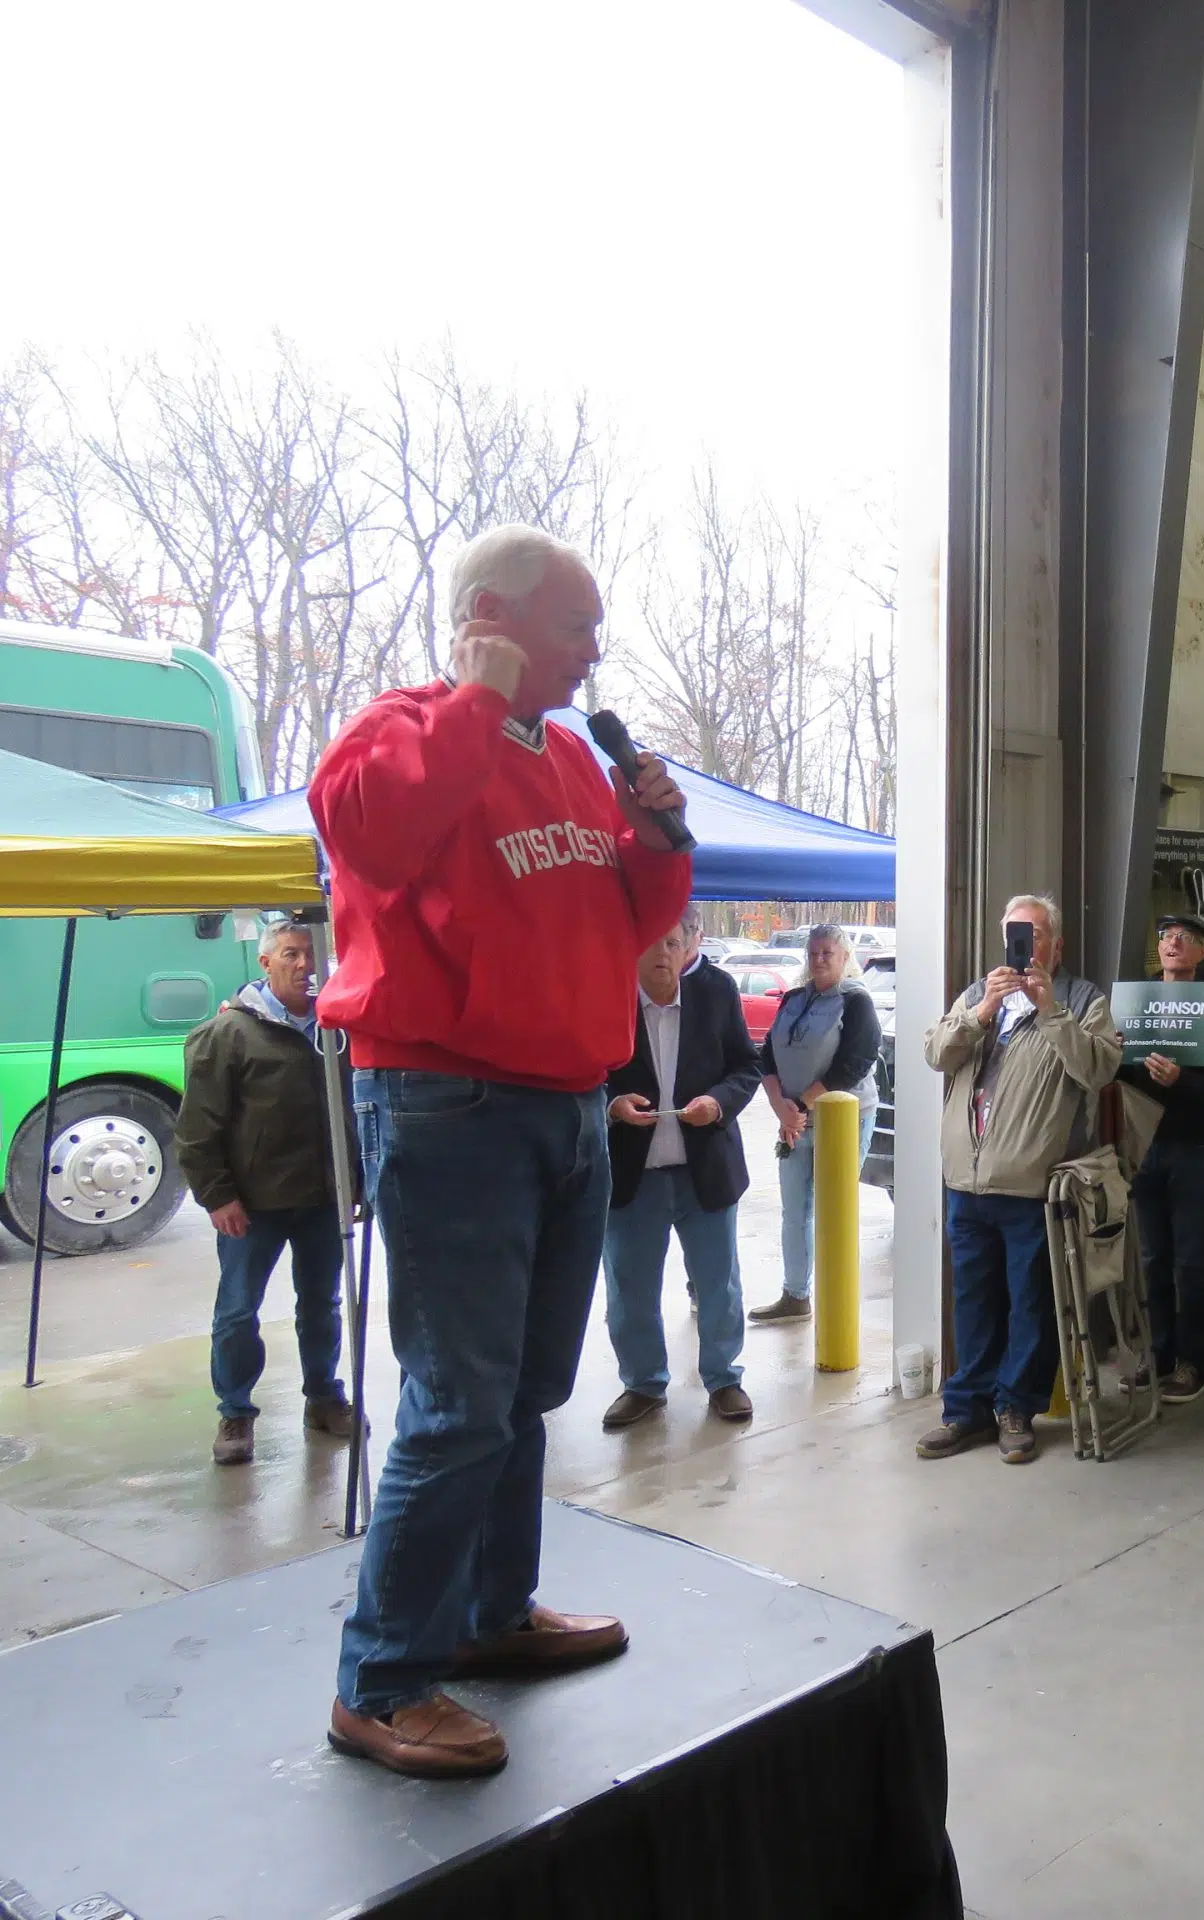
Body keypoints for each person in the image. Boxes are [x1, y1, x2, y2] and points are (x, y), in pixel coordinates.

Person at [312, 522, 692, 1779]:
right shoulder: (401, 729)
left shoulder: (579, 764)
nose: (594, 650)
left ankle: (486, 1615)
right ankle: (383, 1678)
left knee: (524, 1394)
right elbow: (369, 836)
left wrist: (656, 841)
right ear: (493, 617)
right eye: (576, 624)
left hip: (568, 1102)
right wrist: (474, 695)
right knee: (457, 1401)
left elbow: (630, 930)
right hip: (448, 1103)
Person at [918, 894, 1122, 1466]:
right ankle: (966, 1412)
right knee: (973, 1302)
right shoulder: (976, 995)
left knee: (1033, 1304)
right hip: (966, 1182)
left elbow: (1099, 1069)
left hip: (1030, 1185)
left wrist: (1051, 1011)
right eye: (1014, 933)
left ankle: (1016, 1411)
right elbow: (935, 1052)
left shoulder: (1082, 1000)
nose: (1023, 946)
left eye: (1034, 935)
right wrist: (981, 1010)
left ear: (1055, 945)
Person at [177, 919, 353, 1466]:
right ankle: (235, 1413)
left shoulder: (336, 1028)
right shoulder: (227, 1035)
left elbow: (352, 1113)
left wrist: (356, 1184)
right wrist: (217, 1196)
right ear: (266, 962)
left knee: (322, 1305)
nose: (305, 965)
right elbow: (197, 1129)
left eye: (313, 955)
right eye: (292, 955)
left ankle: (323, 1398)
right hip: (252, 1206)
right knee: (237, 1311)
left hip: (323, 1199)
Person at [599, 923, 762, 1431]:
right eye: (652, 943)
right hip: (633, 1175)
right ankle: (643, 1384)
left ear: (691, 945)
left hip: (704, 1170)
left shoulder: (717, 992)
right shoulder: (606, 997)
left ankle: (724, 1379)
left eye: (674, 943)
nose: (664, 955)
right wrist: (611, 1104)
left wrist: (717, 1103)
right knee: (629, 1287)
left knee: (718, 1284)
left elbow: (746, 1067)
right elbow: (581, 1071)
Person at [1117, 914, 1204, 1404]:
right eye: (1166, 937)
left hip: (1196, 1147)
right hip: (1144, 1144)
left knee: (1193, 1260)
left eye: (1185, 940)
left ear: (1201, 954)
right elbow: (1119, 1075)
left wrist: (1183, 1082)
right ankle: (1161, 1355)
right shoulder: (1136, 1004)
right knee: (1152, 1258)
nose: (1172, 944)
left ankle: (1196, 1361)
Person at [749, 924, 884, 1322]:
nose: (819, 959)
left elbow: (855, 1063)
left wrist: (798, 1106)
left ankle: (837, 1304)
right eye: (813, 953)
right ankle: (795, 1295)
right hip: (793, 1121)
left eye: (828, 952)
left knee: (834, 1210)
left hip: (842, 1120)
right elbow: (767, 1057)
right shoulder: (793, 998)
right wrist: (781, 1108)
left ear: (845, 957)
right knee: (795, 1210)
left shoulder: (856, 1001)